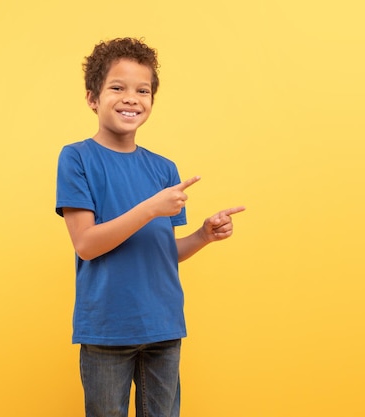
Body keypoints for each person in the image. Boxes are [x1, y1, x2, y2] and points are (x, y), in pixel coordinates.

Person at [55, 37, 245, 417]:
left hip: (163, 324)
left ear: (152, 101)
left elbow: (163, 253)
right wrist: (150, 208)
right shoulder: (76, 158)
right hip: (108, 327)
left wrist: (203, 236)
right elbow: (87, 245)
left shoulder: (164, 169)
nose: (131, 98)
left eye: (142, 90)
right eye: (117, 88)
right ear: (93, 98)